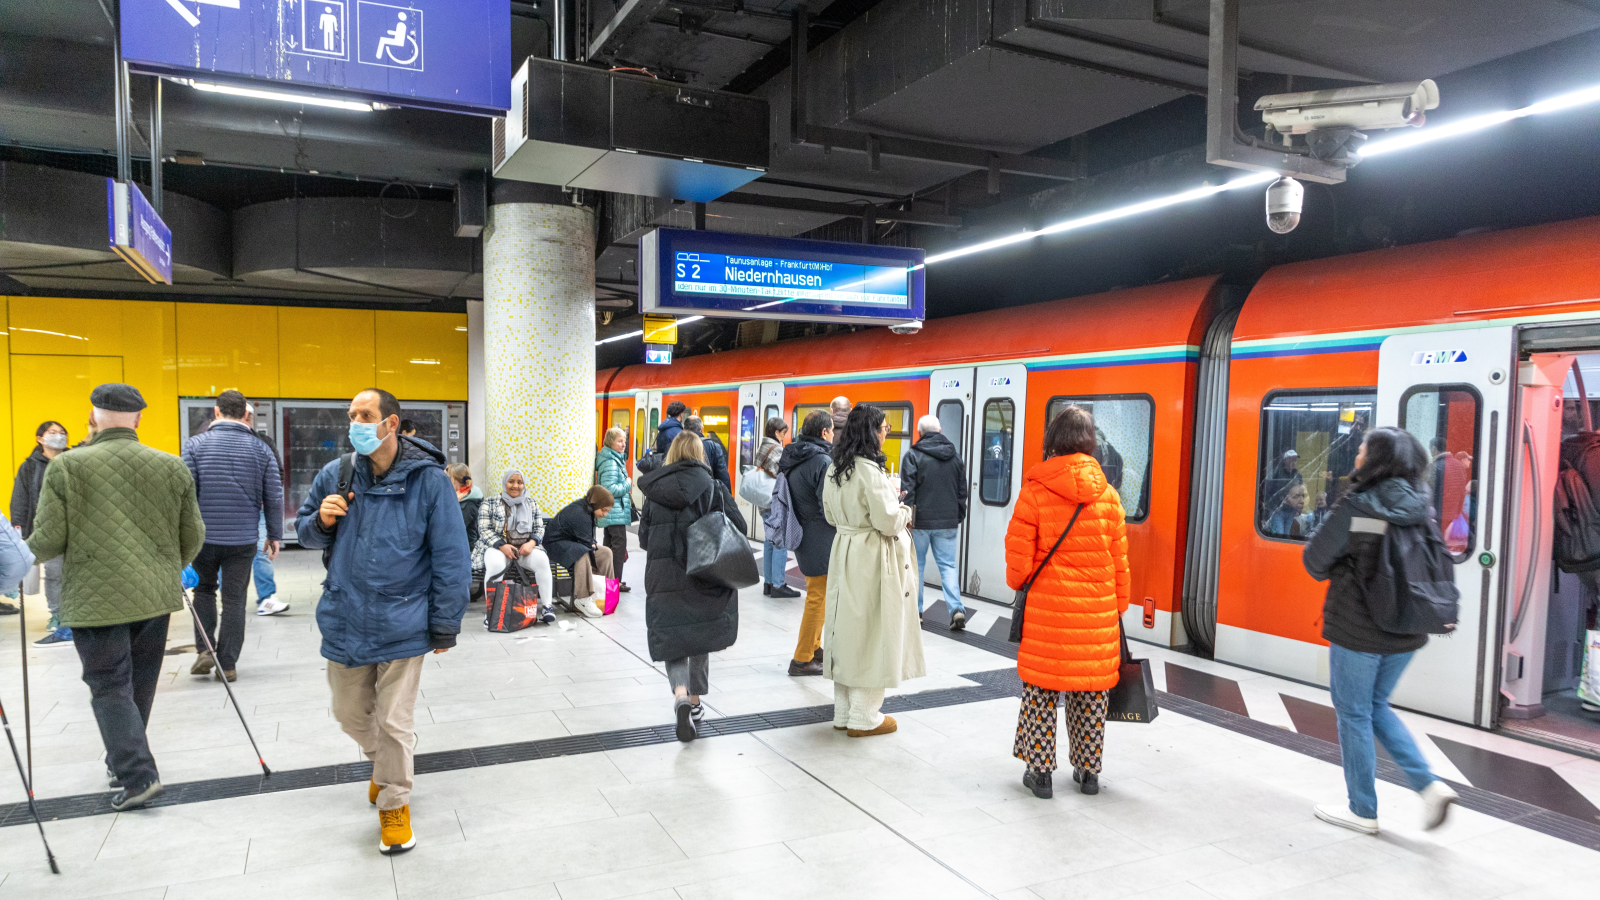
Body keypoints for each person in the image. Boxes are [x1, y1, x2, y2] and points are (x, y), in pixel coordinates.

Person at [295, 387, 470, 855]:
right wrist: (320, 524)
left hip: (403, 618)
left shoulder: (429, 482)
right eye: (351, 414)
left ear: (391, 423)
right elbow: (304, 531)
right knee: (349, 714)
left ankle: (395, 804)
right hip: (345, 616)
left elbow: (452, 557)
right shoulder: (337, 473)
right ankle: (383, 767)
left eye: (365, 414)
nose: (355, 422)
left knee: (394, 722)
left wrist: (444, 623)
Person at [27, 383, 205, 811]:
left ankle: (137, 775)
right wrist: (164, 566)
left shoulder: (67, 467)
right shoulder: (171, 466)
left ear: (92, 417)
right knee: (140, 683)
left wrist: (15, 560)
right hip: (155, 595)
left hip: (95, 598)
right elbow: (193, 535)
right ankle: (122, 760)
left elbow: (49, 539)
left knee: (109, 685)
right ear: (139, 419)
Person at [1302, 426, 1459, 835]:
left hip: (1359, 628)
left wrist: (1343, 565)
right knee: (1376, 706)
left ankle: (1362, 810)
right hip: (1408, 629)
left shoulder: (1357, 506)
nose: (1356, 455)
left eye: (1361, 450)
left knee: (1354, 713)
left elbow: (1315, 561)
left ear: (1376, 461)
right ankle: (1429, 785)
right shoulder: (1423, 507)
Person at [1005, 405, 1130, 799]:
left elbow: (1018, 568)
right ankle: (1089, 774)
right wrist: (1118, 606)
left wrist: (1026, 582)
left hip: (1049, 616)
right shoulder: (1108, 496)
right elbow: (1119, 561)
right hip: (1097, 615)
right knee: (1090, 694)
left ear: (1053, 440)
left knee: (1041, 692)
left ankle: (1040, 775)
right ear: (1090, 442)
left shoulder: (1035, 492)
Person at [822, 403, 923, 737]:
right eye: (883, 429)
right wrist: (904, 510)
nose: (885, 434)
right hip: (870, 557)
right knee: (871, 631)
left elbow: (828, 514)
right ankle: (865, 715)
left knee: (845, 630)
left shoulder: (835, 468)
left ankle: (843, 711)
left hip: (844, 551)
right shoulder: (869, 470)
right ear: (871, 432)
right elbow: (886, 520)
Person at [638, 431, 746, 743]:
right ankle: (696, 703)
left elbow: (644, 538)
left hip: (665, 576)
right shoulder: (713, 487)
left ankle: (681, 695)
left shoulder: (655, 491)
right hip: (705, 573)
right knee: (700, 634)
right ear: (700, 454)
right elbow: (738, 526)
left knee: (673, 637)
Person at [180, 390, 283, 682]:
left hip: (203, 538)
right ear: (245, 414)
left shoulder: (195, 445)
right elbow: (274, 497)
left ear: (216, 412)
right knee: (235, 600)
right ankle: (228, 664)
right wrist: (274, 534)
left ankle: (205, 649)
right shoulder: (261, 449)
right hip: (242, 539)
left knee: (204, 591)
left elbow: (184, 496)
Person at [778, 410, 835, 676]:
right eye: (832, 431)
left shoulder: (794, 454)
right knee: (818, 597)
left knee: (817, 594)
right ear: (824, 432)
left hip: (804, 533)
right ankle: (802, 659)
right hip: (820, 536)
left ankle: (814, 647)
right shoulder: (821, 460)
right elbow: (828, 505)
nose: (834, 435)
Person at [901, 414, 969, 629]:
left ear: (920, 432)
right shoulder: (955, 456)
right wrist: (958, 515)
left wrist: (907, 518)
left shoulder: (913, 456)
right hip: (947, 522)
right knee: (948, 566)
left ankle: (917, 612)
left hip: (920, 522)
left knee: (917, 567)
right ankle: (956, 609)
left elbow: (907, 492)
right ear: (939, 431)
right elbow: (962, 491)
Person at [474, 470, 560, 621]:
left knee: (542, 560)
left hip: (523, 549)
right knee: (495, 564)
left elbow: (539, 528)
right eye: (511, 482)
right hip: (497, 548)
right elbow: (484, 529)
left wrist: (531, 543)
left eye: (520, 482)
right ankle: (492, 612)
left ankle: (547, 607)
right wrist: (502, 545)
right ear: (504, 483)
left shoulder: (531, 503)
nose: (515, 486)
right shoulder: (490, 502)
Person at [12, 421, 68, 636]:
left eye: (62, 433)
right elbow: (20, 499)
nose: (59, 436)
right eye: (52, 433)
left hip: (76, 527)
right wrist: (21, 531)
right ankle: (57, 613)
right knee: (54, 573)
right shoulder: (30, 466)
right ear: (40, 438)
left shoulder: (73, 460)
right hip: (47, 528)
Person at [544, 486, 618, 616]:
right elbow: (587, 543)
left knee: (606, 552)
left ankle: (607, 594)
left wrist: (592, 544)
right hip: (554, 545)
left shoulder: (587, 509)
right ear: (596, 504)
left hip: (571, 543)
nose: (604, 514)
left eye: (607, 511)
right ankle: (583, 598)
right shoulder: (580, 513)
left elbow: (587, 541)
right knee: (581, 553)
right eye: (603, 510)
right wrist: (591, 544)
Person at [756, 417, 799, 599]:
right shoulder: (778, 451)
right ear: (776, 433)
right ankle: (778, 585)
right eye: (783, 433)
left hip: (763, 502)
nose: (784, 437)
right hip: (775, 502)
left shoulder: (761, 448)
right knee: (779, 541)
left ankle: (768, 582)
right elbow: (784, 475)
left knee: (769, 541)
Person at [249, 424, 288, 617]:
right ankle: (228, 600)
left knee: (260, 551)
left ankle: (266, 598)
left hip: (261, 509)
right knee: (228, 555)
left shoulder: (265, 443)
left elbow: (278, 472)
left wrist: (267, 497)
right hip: (233, 509)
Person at [596, 428, 634, 594]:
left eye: (624, 441)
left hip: (613, 512)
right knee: (618, 548)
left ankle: (609, 581)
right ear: (610, 442)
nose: (623, 444)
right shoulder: (611, 461)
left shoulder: (613, 458)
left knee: (610, 547)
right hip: (614, 512)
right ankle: (614, 583)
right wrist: (627, 484)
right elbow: (609, 489)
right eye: (619, 441)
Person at [447, 463, 485, 603]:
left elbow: (457, 529)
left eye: (449, 479)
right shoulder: (461, 497)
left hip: (467, 547)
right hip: (460, 544)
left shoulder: (468, 502)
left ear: (457, 480)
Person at [685, 415, 731, 491]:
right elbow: (723, 477)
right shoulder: (714, 447)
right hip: (706, 495)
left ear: (683, 429)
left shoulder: (672, 447)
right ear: (701, 430)